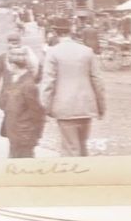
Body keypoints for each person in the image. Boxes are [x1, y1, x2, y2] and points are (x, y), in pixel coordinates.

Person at [40, 20, 106, 157]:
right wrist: (101, 107)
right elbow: (98, 81)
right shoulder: (87, 51)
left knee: (70, 149)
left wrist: (44, 109)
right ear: (71, 31)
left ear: (55, 33)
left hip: (64, 108)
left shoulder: (52, 52)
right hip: (86, 106)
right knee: (82, 146)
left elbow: (48, 83)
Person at [0, 47, 45, 158]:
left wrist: (34, 136)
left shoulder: (28, 85)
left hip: (24, 136)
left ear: (13, 66)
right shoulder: (18, 81)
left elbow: (37, 113)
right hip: (16, 134)